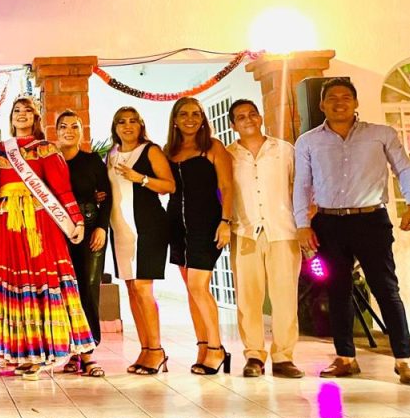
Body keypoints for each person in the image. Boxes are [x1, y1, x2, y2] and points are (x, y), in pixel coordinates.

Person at [294, 78, 410, 386]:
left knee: (386, 289)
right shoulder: (308, 141)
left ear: (355, 103)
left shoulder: (381, 134)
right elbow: (302, 183)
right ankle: (345, 358)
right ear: (322, 104)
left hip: (371, 220)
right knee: (337, 290)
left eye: (346, 97)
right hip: (329, 223)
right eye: (332, 97)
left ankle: (404, 360)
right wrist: (302, 225)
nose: (339, 102)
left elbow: (404, 169)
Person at [0, 95, 94, 380]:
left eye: (27, 111)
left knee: (40, 282)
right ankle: (21, 353)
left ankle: (45, 353)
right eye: (17, 111)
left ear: (35, 118)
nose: (22, 115)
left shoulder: (45, 149)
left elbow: (62, 189)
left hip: (39, 224)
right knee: (15, 285)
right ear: (11, 117)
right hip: (7, 224)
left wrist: (76, 219)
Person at [227, 100, 304, 378]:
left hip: (282, 231)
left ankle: (283, 357)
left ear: (260, 118)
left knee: (285, 297)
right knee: (248, 298)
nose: (248, 119)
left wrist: (304, 224)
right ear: (233, 125)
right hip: (244, 231)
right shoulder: (228, 155)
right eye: (240, 117)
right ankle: (254, 355)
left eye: (252, 114)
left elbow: (300, 187)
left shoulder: (284, 150)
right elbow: (222, 192)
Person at [164, 96, 234, 376]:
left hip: (207, 224)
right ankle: (203, 346)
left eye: (196, 114)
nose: (190, 119)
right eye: (184, 114)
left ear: (203, 119)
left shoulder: (213, 147)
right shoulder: (168, 151)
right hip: (176, 226)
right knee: (192, 291)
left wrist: (226, 221)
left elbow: (227, 187)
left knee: (198, 286)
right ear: (175, 120)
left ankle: (216, 348)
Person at [106, 106, 175, 375]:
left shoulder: (151, 151)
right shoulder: (111, 154)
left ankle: (157, 350)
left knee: (144, 289)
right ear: (115, 127)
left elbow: (169, 186)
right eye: (122, 121)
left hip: (148, 227)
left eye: (133, 121)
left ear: (141, 125)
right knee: (132, 290)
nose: (127, 126)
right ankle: (145, 349)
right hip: (121, 230)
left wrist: (141, 178)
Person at [55, 109, 111, 377]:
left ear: (81, 131)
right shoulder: (50, 161)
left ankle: (88, 352)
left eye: (74, 126)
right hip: (58, 231)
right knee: (65, 291)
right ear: (56, 132)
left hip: (89, 230)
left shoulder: (92, 161)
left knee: (88, 290)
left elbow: (107, 196)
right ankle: (71, 352)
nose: (69, 131)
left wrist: (101, 227)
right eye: (63, 127)